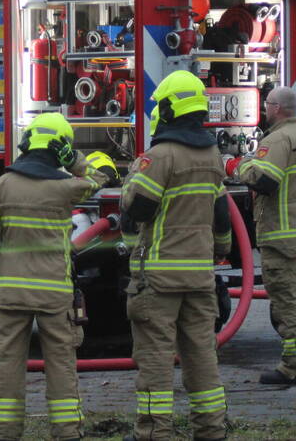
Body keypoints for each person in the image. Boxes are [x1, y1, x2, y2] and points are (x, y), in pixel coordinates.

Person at [0, 111, 117, 441]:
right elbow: (101, 177)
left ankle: (5, 433)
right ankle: (67, 433)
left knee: (8, 365)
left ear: (26, 143)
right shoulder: (66, 187)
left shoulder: (3, 185)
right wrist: (76, 159)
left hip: (11, 293)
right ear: (60, 151)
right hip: (54, 295)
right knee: (61, 365)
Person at [119, 70, 229, 441]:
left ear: (169, 108)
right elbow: (221, 216)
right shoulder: (213, 156)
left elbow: (138, 208)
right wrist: (220, 251)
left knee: (154, 359)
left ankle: (153, 432)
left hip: (159, 279)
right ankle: (211, 429)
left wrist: (128, 184)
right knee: (202, 355)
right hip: (199, 277)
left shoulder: (161, 156)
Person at [224, 86, 296, 385]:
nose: (264, 109)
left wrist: (238, 166)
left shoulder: (277, 140)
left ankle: (295, 367)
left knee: (288, 303)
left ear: (277, 108)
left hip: (282, 237)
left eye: (267, 104)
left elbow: (265, 179)